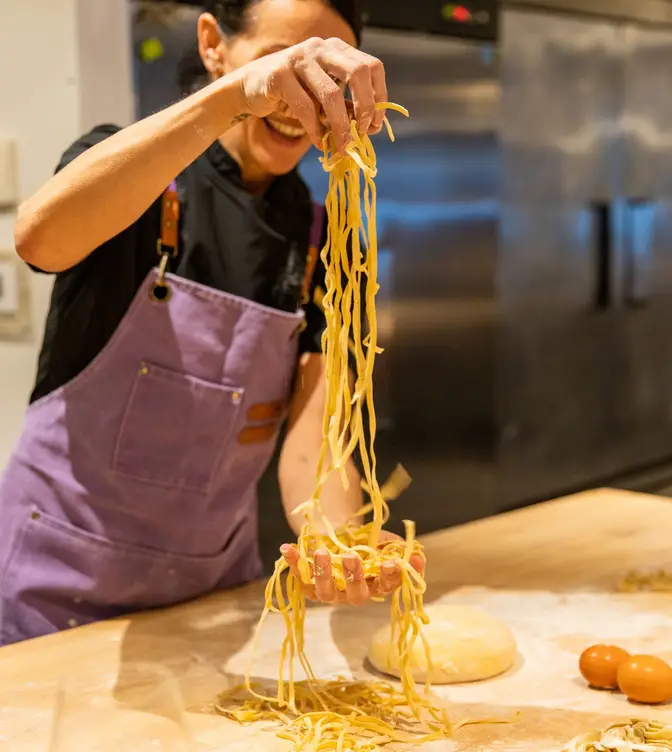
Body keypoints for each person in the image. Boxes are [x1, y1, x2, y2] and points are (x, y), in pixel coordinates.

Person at [0, 0, 423, 646]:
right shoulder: (137, 177)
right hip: (51, 597)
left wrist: (335, 540)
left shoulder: (328, 242)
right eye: (281, 68)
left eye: (321, 80)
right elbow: (40, 240)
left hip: (210, 602)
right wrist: (230, 100)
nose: (295, 101)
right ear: (212, 46)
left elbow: (316, 440)